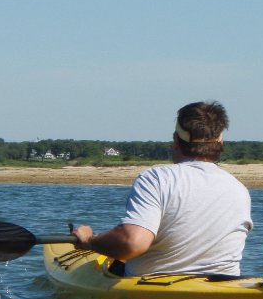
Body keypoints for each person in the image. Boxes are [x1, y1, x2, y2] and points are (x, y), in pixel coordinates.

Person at [71, 101, 253, 276]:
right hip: (224, 284)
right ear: (220, 144)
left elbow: (133, 243)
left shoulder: (156, 178)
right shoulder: (239, 189)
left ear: (176, 140)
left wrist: (90, 240)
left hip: (156, 288)